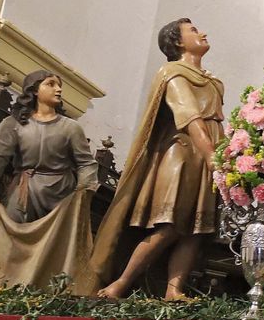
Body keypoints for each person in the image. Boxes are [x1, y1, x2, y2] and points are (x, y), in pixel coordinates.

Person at [88, 18, 225, 299]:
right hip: (183, 154)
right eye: (194, 31)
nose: (203, 32)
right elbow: (189, 116)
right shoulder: (173, 72)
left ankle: (174, 289)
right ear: (177, 41)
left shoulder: (213, 81)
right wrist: (212, 155)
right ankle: (120, 284)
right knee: (170, 225)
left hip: (209, 155)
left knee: (196, 230)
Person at [0, 70, 97, 290]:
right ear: (34, 90)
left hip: (59, 193)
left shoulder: (70, 127)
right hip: (23, 189)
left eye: (59, 85)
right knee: (10, 239)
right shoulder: (13, 124)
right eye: (51, 84)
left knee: (54, 245)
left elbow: (86, 162)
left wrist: (85, 188)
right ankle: (6, 288)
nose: (58, 89)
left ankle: (46, 291)